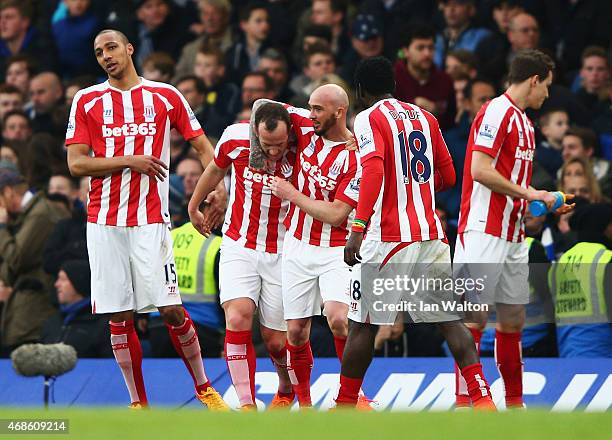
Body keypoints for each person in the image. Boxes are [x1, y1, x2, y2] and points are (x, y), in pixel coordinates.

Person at [65, 29, 227, 410]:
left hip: (151, 220)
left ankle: (204, 387)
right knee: (119, 315)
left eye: (111, 48)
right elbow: (76, 163)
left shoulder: (165, 95)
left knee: (171, 309)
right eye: (99, 52)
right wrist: (128, 160)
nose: (106, 56)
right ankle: (139, 403)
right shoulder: (87, 100)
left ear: (129, 48)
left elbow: (203, 144)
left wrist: (218, 185)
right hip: (104, 222)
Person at [338, 56, 495, 410]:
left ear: (361, 91)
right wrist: (415, 186)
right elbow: (449, 176)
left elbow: (374, 169)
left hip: (389, 237)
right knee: (449, 319)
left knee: (362, 323)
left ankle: (345, 404)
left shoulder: (367, 117)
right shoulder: (426, 117)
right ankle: (482, 397)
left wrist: (358, 228)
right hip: (430, 233)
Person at [453, 49, 572, 409]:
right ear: (534, 79)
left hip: (513, 232)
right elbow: (480, 170)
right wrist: (530, 192)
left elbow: (511, 183)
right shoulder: (496, 111)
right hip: (482, 229)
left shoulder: (525, 124)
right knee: (472, 315)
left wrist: (539, 204)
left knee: (512, 318)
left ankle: (515, 404)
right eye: (546, 86)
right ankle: (465, 401)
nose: (547, 95)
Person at [187, 103, 297, 410]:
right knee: (237, 317)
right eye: (267, 145)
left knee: (275, 340)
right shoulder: (235, 139)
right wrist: (194, 204)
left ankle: (286, 389)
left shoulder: (305, 144)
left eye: (280, 145)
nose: (274, 153)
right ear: (254, 133)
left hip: (283, 249)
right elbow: (215, 167)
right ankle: (246, 405)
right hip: (239, 244)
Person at [263, 85, 363, 409]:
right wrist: (257, 152)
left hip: (336, 249)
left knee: (339, 318)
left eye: (318, 109)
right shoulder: (305, 126)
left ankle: (352, 396)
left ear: (339, 112)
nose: (311, 114)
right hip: (297, 245)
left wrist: (291, 194)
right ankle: (305, 406)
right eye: (310, 107)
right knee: (295, 331)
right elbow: (262, 105)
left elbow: (337, 215)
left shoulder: (355, 155)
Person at [0, 169, 70, 352]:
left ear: (8, 192)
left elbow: (16, 258)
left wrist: (1, 227)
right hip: (26, 312)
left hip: (34, 314)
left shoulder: (40, 214)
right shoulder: (28, 214)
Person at [548, 203, 612, 357]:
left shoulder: (558, 264)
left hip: (568, 361)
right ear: (603, 225)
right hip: (603, 361)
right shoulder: (606, 258)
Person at [41, 260, 112, 358]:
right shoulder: (52, 322)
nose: (57, 284)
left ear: (78, 282)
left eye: (63, 279)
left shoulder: (102, 326)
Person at [394, 25, 456, 130]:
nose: (427, 54)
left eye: (431, 48)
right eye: (420, 48)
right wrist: (412, 107)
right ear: (405, 52)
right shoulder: (392, 79)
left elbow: (451, 122)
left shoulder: (445, 80)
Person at [434, 0, 491, 69]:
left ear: (471, 9)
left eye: (458, 4)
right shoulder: (436, 39)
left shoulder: (483, 37)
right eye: (447, 5)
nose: (451, 9)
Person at [225, 1, 271, 85]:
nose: (265, 25)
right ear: (244, 25)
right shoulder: (233, 53)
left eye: (267, 21)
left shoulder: (275, 50)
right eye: (258, 21)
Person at [561, 126, 611, 195]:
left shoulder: (609, 175)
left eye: (572, 147)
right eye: (563, 148)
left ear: (588, 151)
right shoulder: (559, 175)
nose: (565, 153)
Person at [536, 108, 569, 179]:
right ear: (545, 130)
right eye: (559, 124)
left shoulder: (569, 150)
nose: (566, 127)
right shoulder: (540, 155)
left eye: (567, 123)